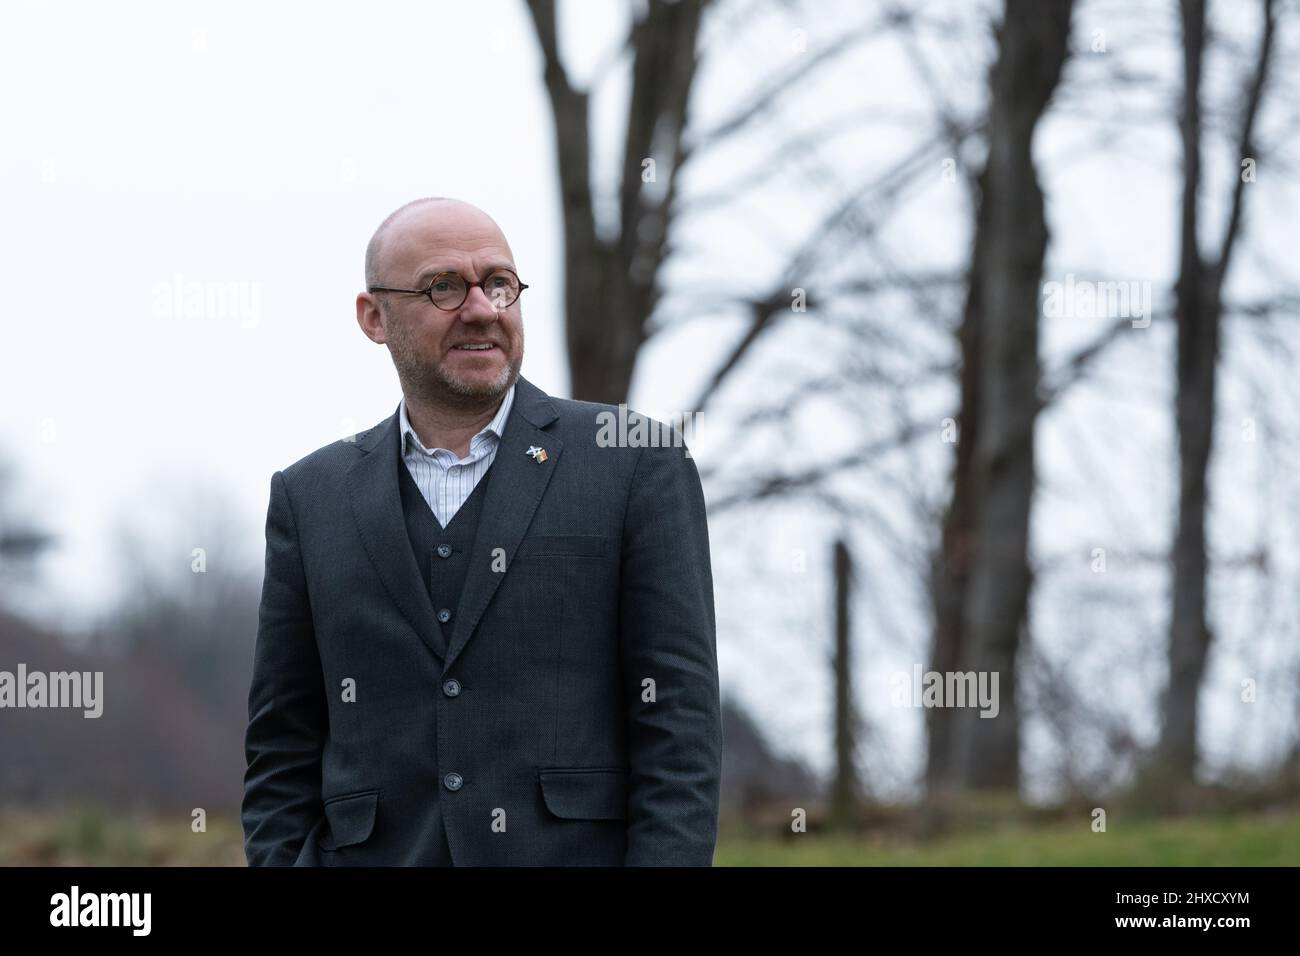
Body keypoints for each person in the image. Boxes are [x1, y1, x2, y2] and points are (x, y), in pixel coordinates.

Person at [241, 197, 721, 865]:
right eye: (444, 286)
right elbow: (281, 745)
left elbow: (679, 726)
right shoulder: (308, 497)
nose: (482, 308)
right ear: (373, 318)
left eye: (499, 283)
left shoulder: (634, 462)